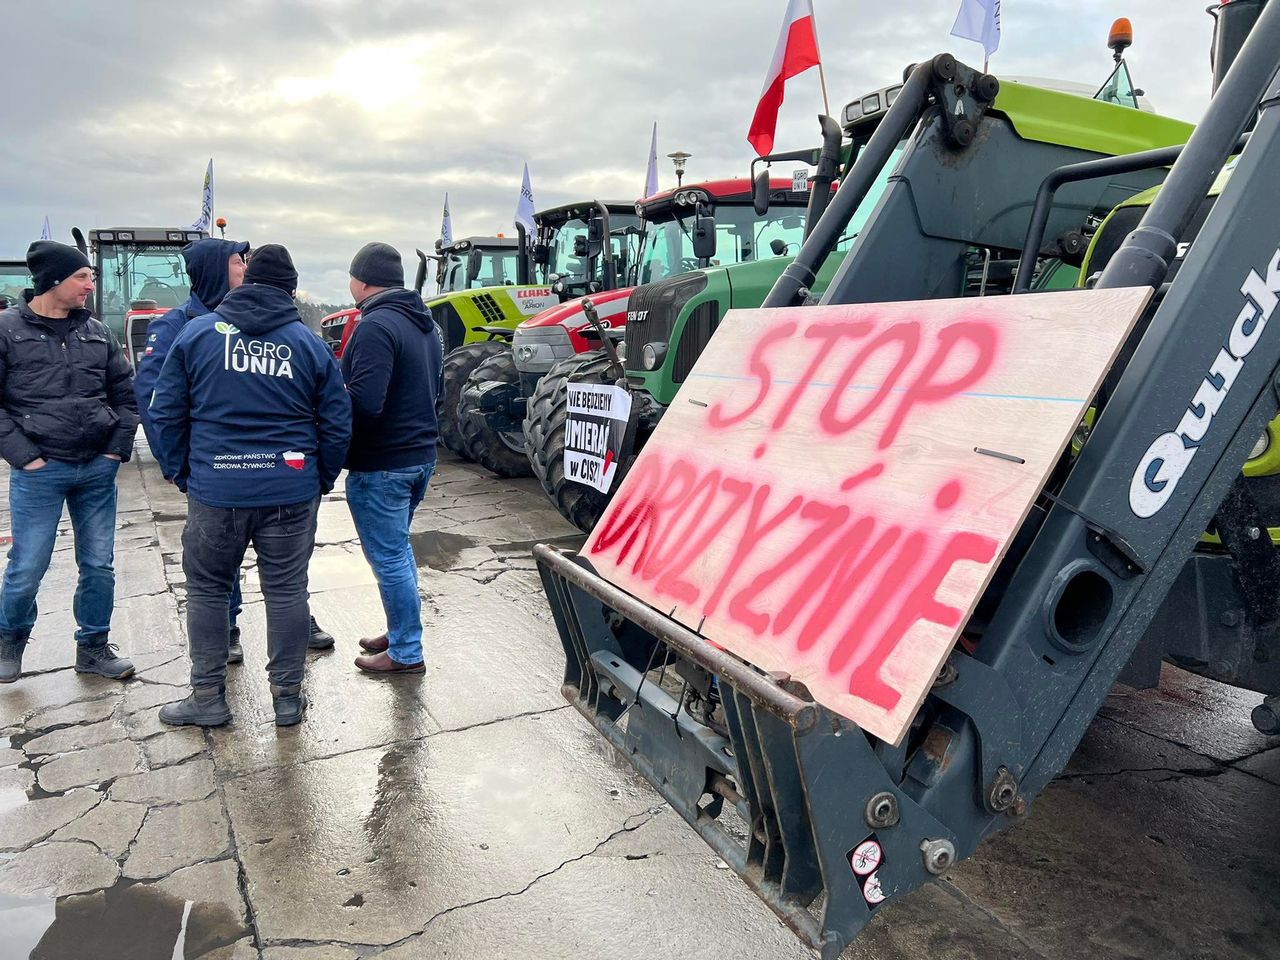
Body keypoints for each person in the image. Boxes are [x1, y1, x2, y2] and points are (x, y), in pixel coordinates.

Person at [150, 245, 351, 726]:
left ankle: (207, 698)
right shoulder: (307, 344)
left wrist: (182, 472)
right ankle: (286, 699)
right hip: (289, 487)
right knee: (286, 590)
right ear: (291, 290)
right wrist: (319, 479)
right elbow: (338, 422)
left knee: (207, 589)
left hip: (217, 489)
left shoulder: (197, 335)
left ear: (246, 282)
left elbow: (163, 412)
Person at [0, 240, 139, 683]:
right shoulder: (7, 331)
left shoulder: (97, 332)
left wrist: (115, 449)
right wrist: (25, 457)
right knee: (28, 565)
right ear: (53, 281)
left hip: (96, 468)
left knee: (98, 564)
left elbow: (126, 395)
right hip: (40, 471)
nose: (89, 285)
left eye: (91, 277)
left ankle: (94, 647)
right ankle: (9, 641)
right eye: (82, 276)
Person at [342, 242, 442, 675]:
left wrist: (326, 400)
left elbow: (365, 402)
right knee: (397, 552)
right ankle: (401, 629)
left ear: (361, 280)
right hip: (420, 456)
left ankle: (405, 651)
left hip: (382, 463)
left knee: (389, 557)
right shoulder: (425, 324)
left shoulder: (375, 326)